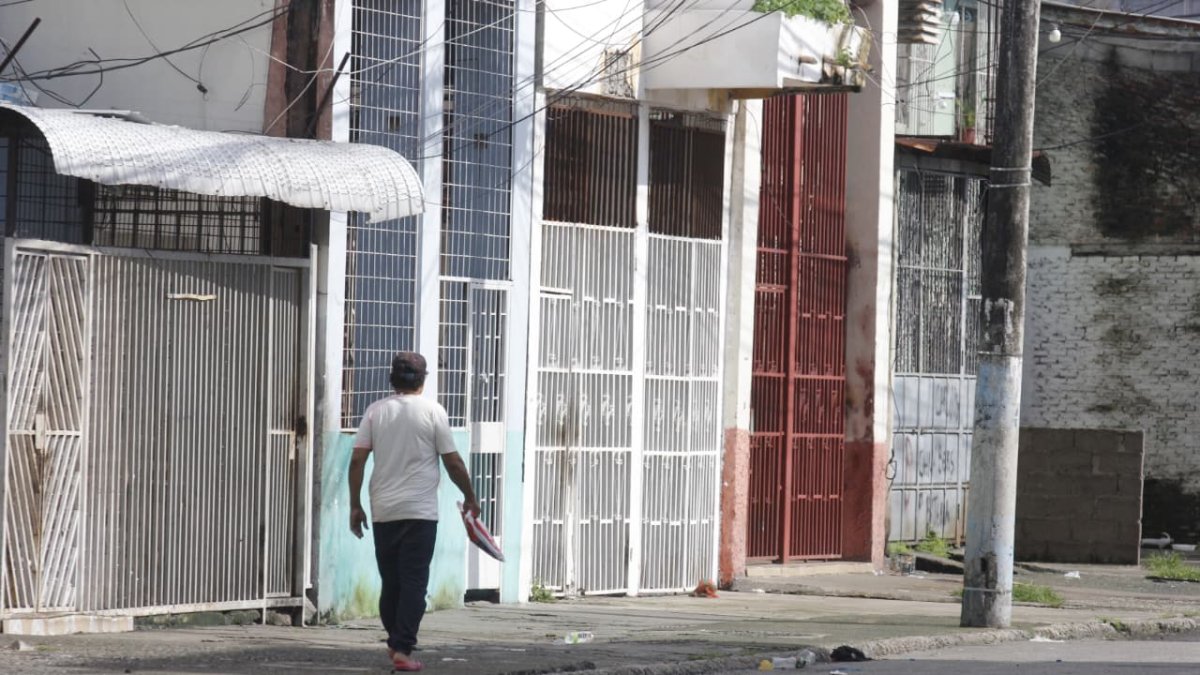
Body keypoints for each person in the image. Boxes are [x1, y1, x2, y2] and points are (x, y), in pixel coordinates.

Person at [348, 352, 480, 672]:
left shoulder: (375, 412)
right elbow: (453, 462)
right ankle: (402, 648)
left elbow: (357, 461)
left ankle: (396, 642)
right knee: (414, 584)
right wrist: (470, 496)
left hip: (384, 510)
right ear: (423, 380)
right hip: (421, 513)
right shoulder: (433, 411)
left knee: (391, 582)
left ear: (392, 378)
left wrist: (355, 505)